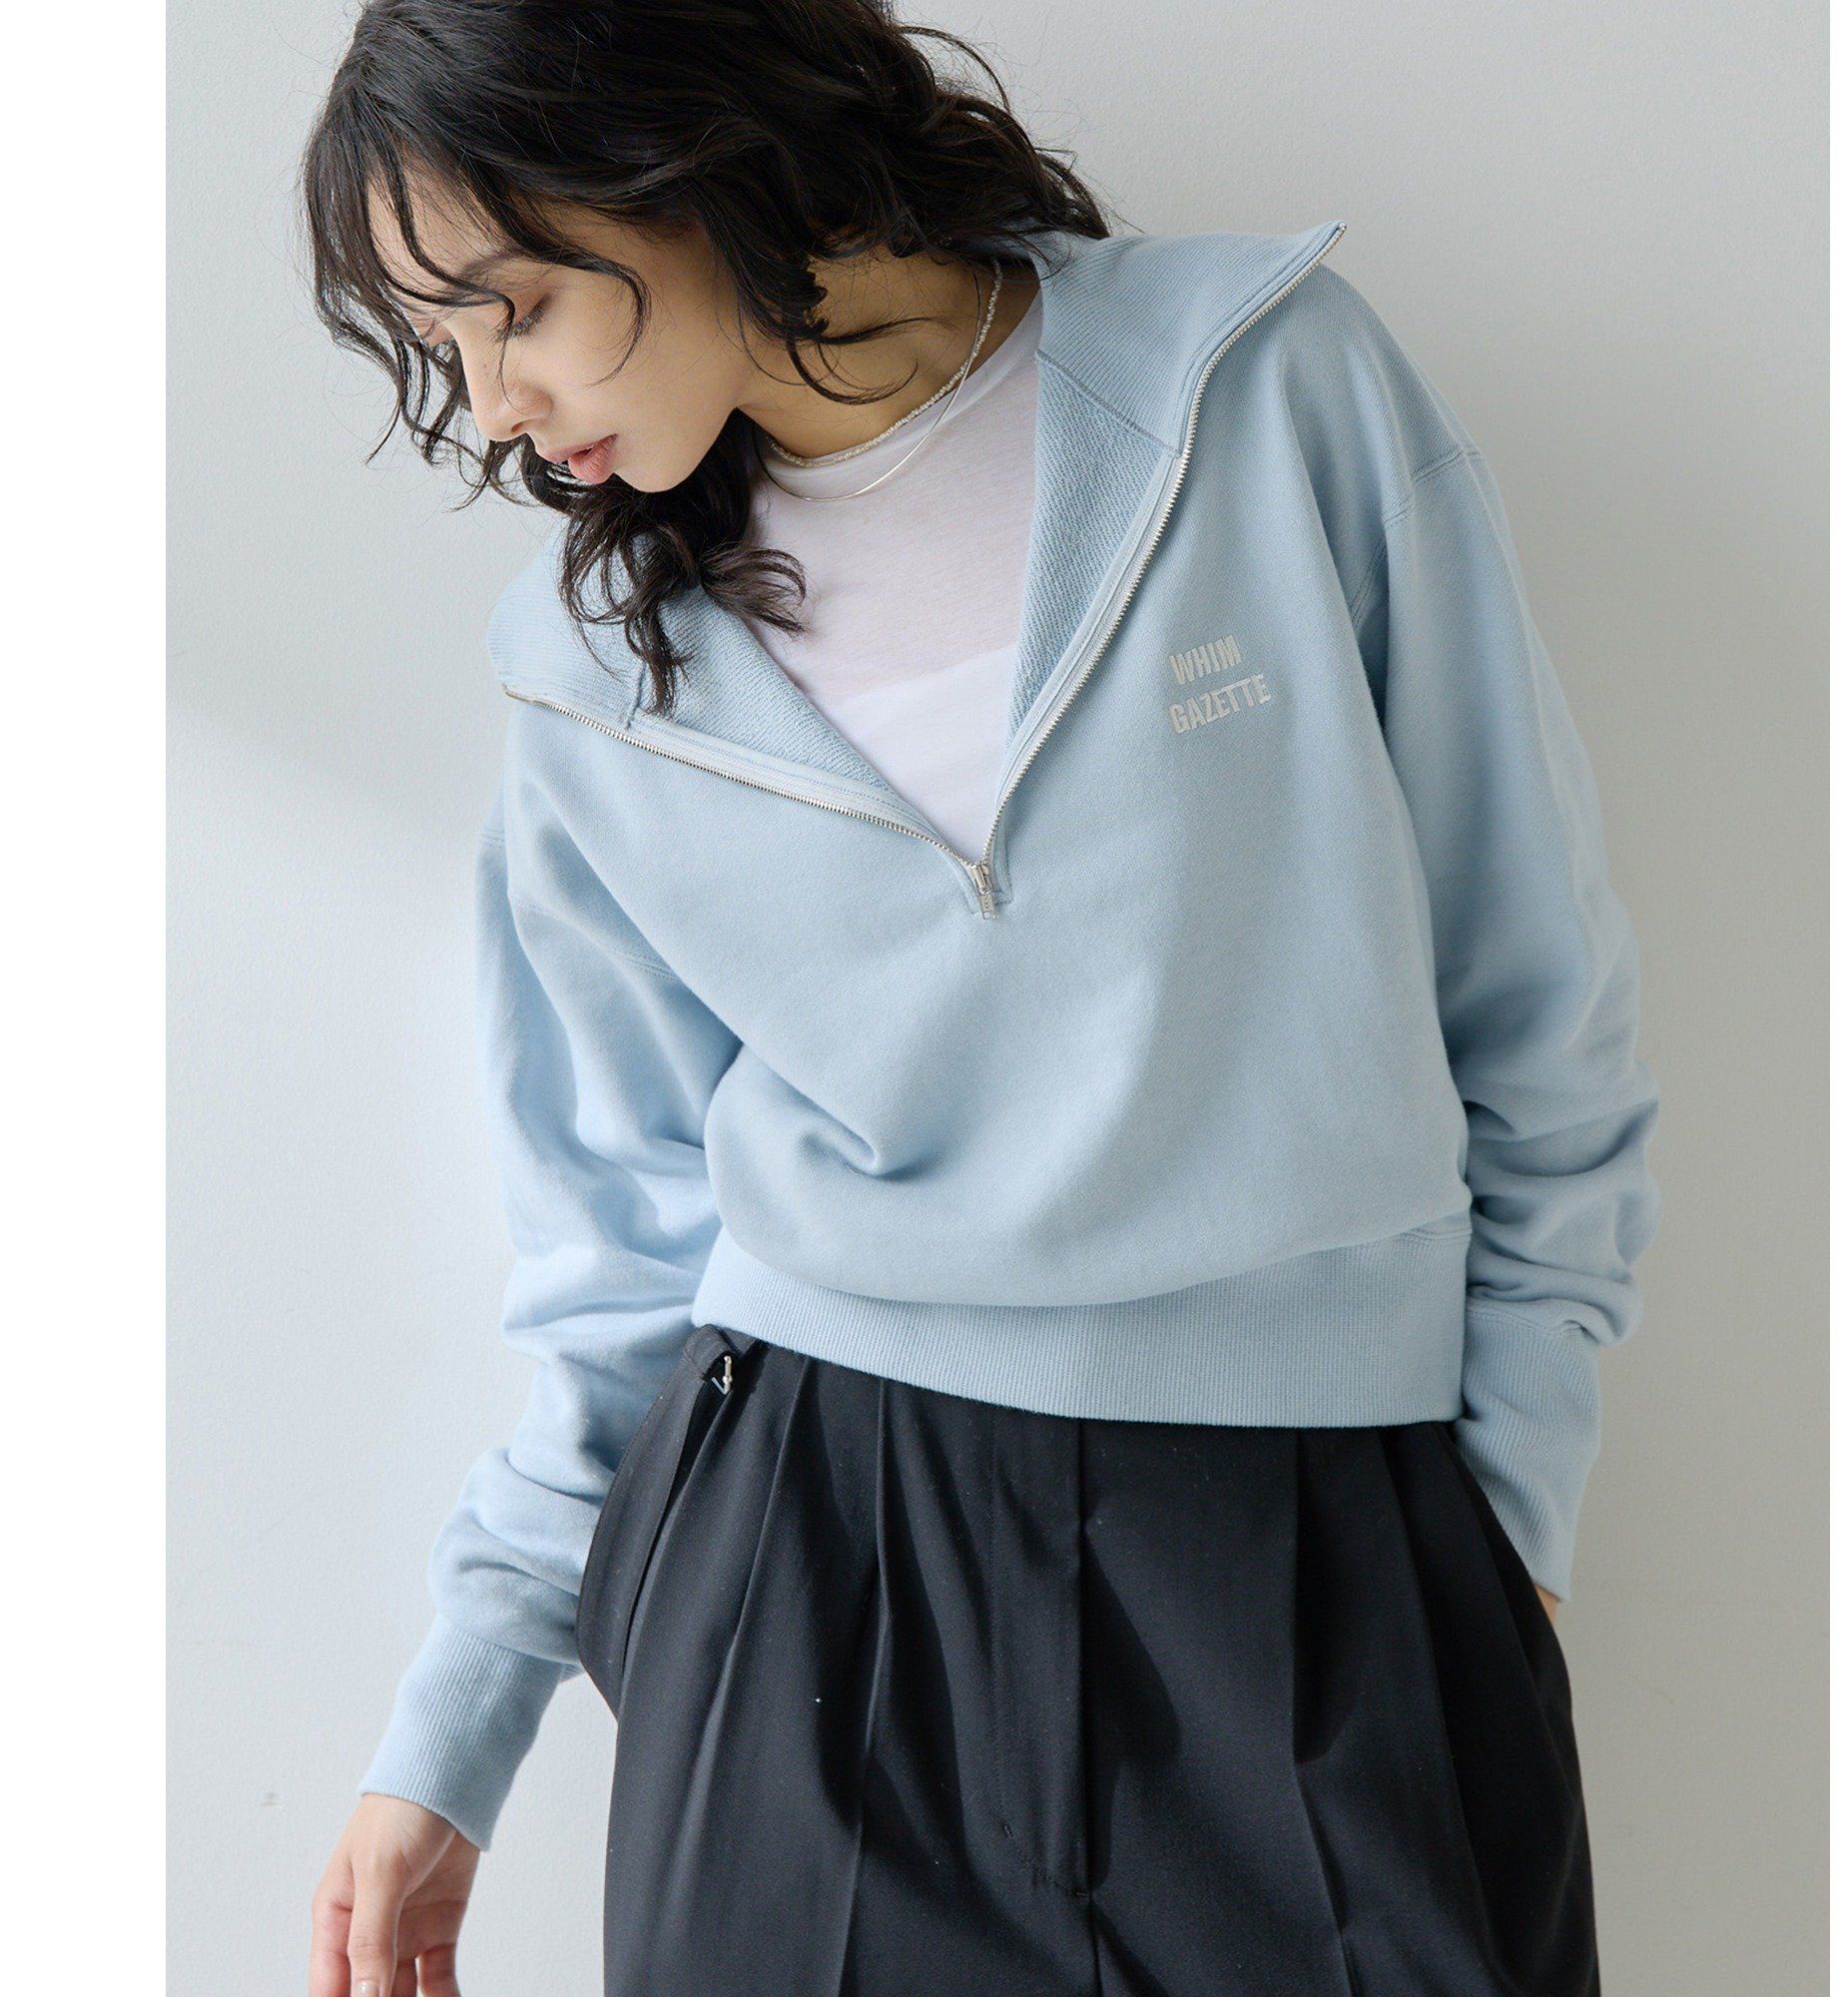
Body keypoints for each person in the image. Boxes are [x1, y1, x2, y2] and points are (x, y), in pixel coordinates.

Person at [299, 4, 1660, 1994]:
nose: (495, 401)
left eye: (512, 307)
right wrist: (456, 1726)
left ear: (684, 158)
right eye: (444, 347)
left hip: (1320, 1528)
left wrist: (1503, 1527)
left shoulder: (1255, 388)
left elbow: (1535, 1007)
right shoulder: (594, 672)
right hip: (809, 1567)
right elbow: (615, 1253)